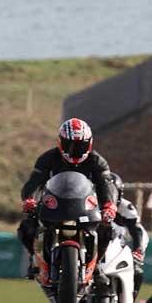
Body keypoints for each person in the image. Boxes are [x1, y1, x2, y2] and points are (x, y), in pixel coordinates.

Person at [18, 118, 117, 282]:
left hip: (86, 208)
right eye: (70, 145)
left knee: (107, 227)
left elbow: (105, 185)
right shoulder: (48, 158)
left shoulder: (97, 161)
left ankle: (97, 263)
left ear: (89, 144)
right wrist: (29, 199)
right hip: (54, 205)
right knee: (26, 226)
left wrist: (109, 205)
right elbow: (34, 183)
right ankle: (33, 259)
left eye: (80, 145)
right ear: (60, 142)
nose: (75, 150)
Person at [107, 172, 149, 303]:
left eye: (112, 192)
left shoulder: (126, 207)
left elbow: (137, 230)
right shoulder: (92, 204)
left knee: (136, 271)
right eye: (105, 191)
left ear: (119, 193)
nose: (109, 196)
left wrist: (138, 249)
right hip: (94, 250)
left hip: (116, 250)